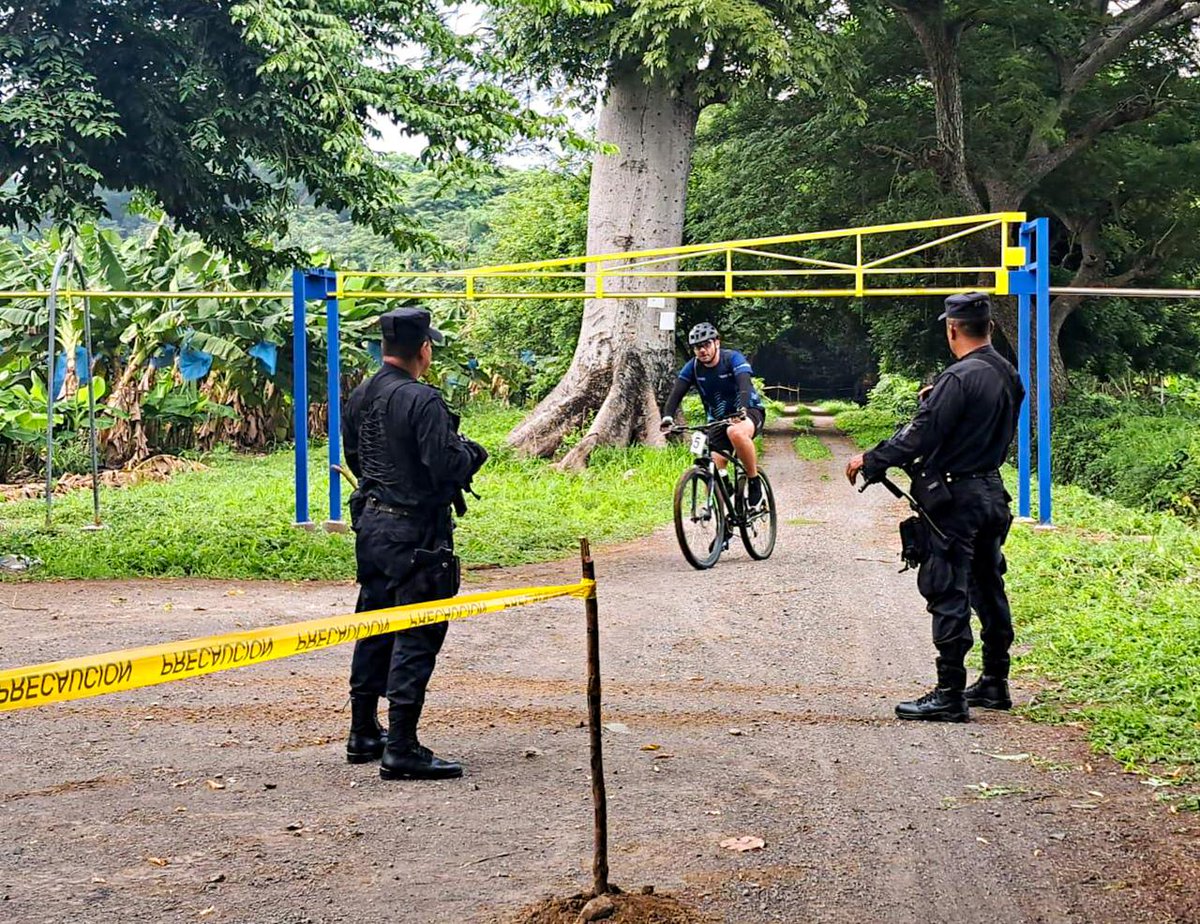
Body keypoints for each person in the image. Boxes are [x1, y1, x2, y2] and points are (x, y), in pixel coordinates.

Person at [845, 292, 1024, 722]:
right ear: (991, 328)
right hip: (992, 493)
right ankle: (995, 683)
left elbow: (920, 435)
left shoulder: (957, 379)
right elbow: (976, 422)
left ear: (952, 329)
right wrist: (939, 396)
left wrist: (869, 460)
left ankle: (949, 694)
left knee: (948, 588)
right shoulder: (1008, 375)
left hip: (956, 501)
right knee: (988, 583)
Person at [342, 307, 488, 779]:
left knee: (375, 621)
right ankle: (401, 745)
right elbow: (445, 466)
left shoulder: (360, 394)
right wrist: (473, 453)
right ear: (424, 349)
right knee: (418, 630)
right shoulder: (423, 401)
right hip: (416, 533)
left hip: (372, 527)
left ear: (385, 348)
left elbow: (354, 455)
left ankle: (363, 731)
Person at [659, 322, 767, 506]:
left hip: (748, 411)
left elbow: (745, 385)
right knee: (712, 465)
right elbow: (677, 393)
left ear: (716, 342)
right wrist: (667, 417)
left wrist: (742, 409)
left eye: (706, 344)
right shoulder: (692, 367)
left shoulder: (732, 358)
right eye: (697, 347)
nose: (702, 350)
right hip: (718, 420)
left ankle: (753, 480)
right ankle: (724, 520)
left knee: (736, 433)